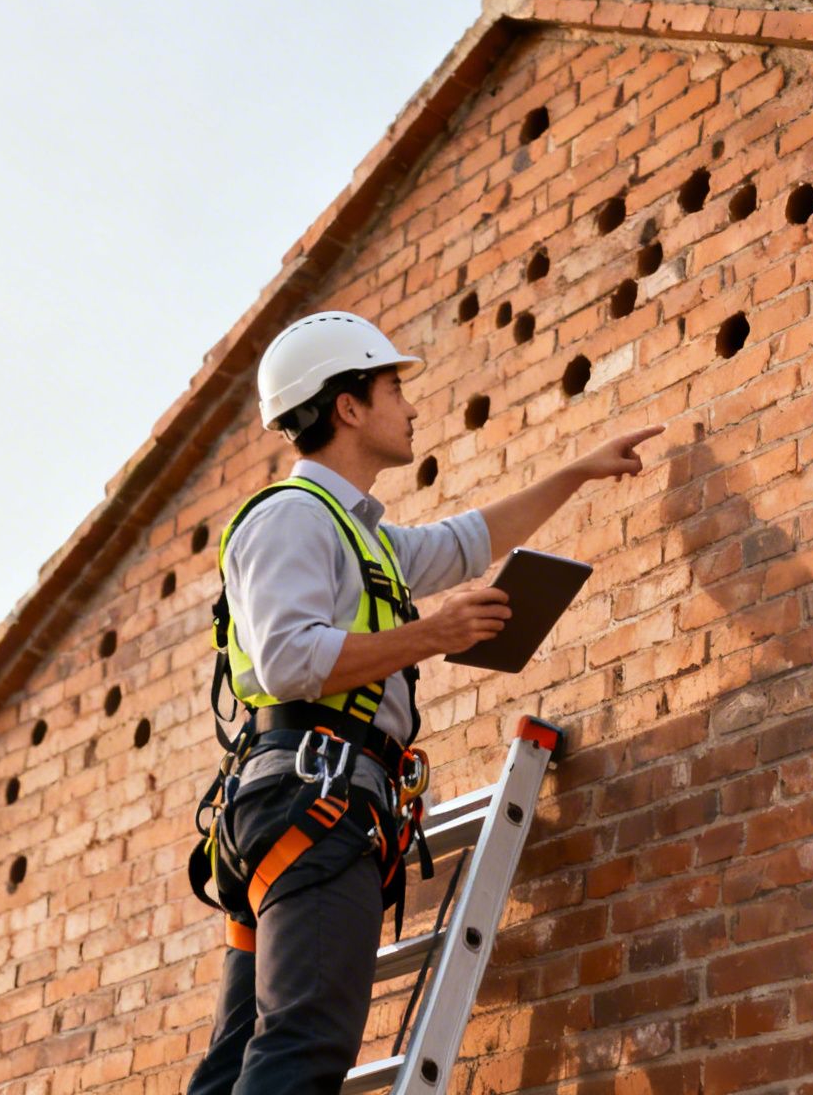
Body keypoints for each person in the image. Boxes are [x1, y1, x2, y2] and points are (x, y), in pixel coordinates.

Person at [186, 310, 660, 1095]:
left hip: (302, 799)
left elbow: (471, 541)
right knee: (306, 1045)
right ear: (348, 406)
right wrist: (435, 633)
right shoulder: (291, 517)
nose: (411, 407)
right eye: (394, 388)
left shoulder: (363, 536)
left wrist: (576, 472)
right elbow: (289, 658)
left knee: (241, 1064)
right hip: (314, 798)